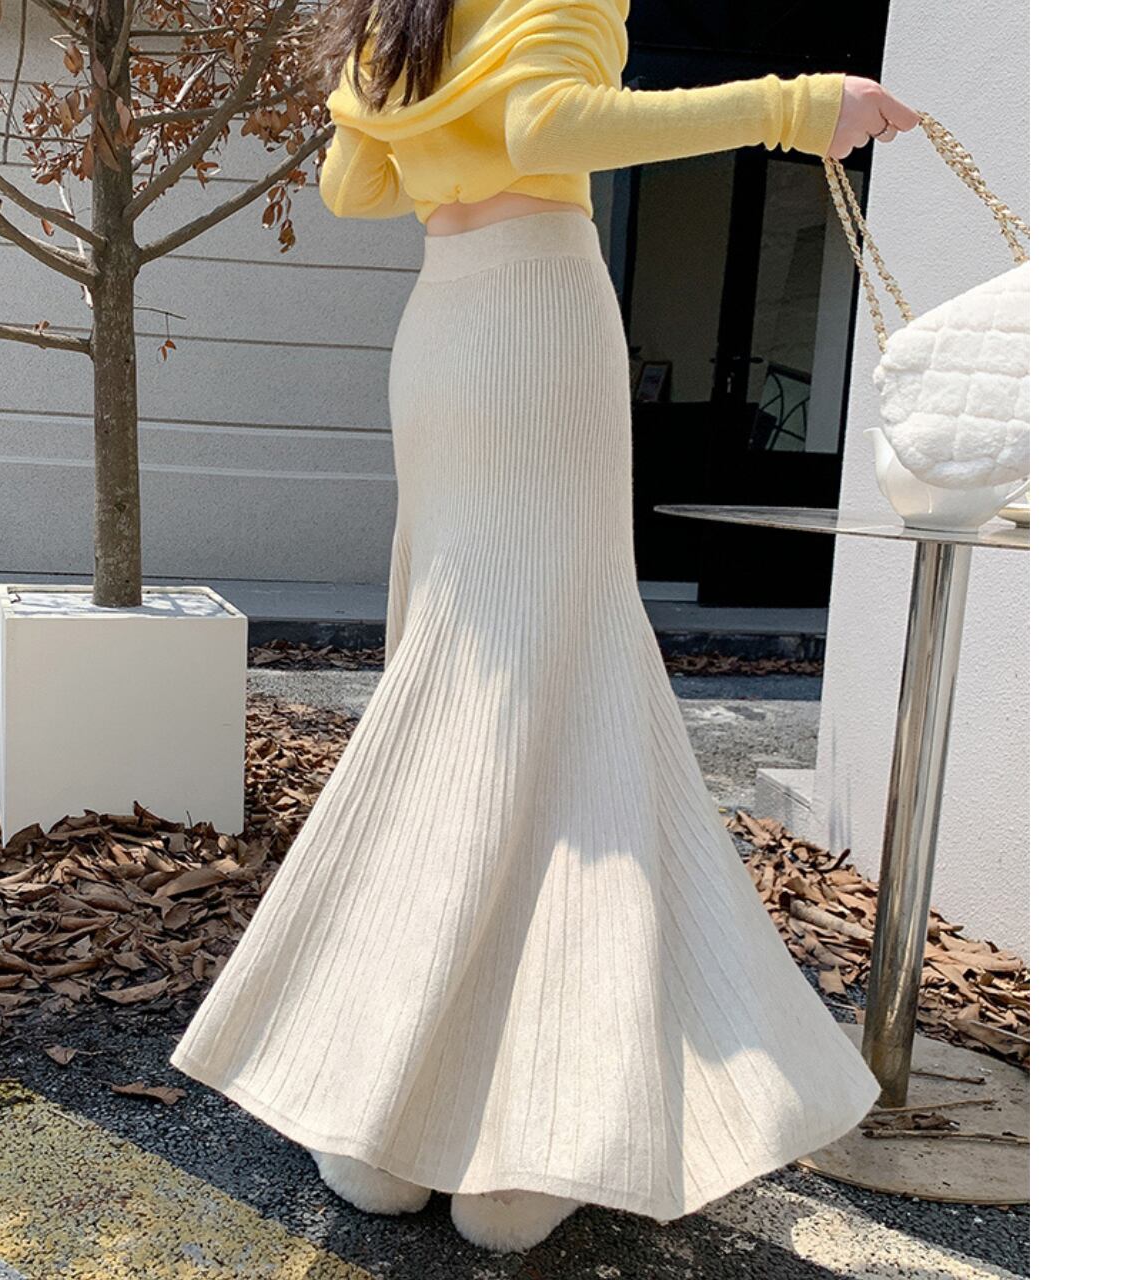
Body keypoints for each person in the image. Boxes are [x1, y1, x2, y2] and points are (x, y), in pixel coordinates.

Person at [169, 0, 921, 1255]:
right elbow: (548, 124)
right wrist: (796, 106)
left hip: (443, 327)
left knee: (462, 683)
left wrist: (418, 105)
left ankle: (385, 1110)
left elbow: (356, 184)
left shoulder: (408, 13)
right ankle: (531, 1119)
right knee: (560, 690)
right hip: (533, 321)